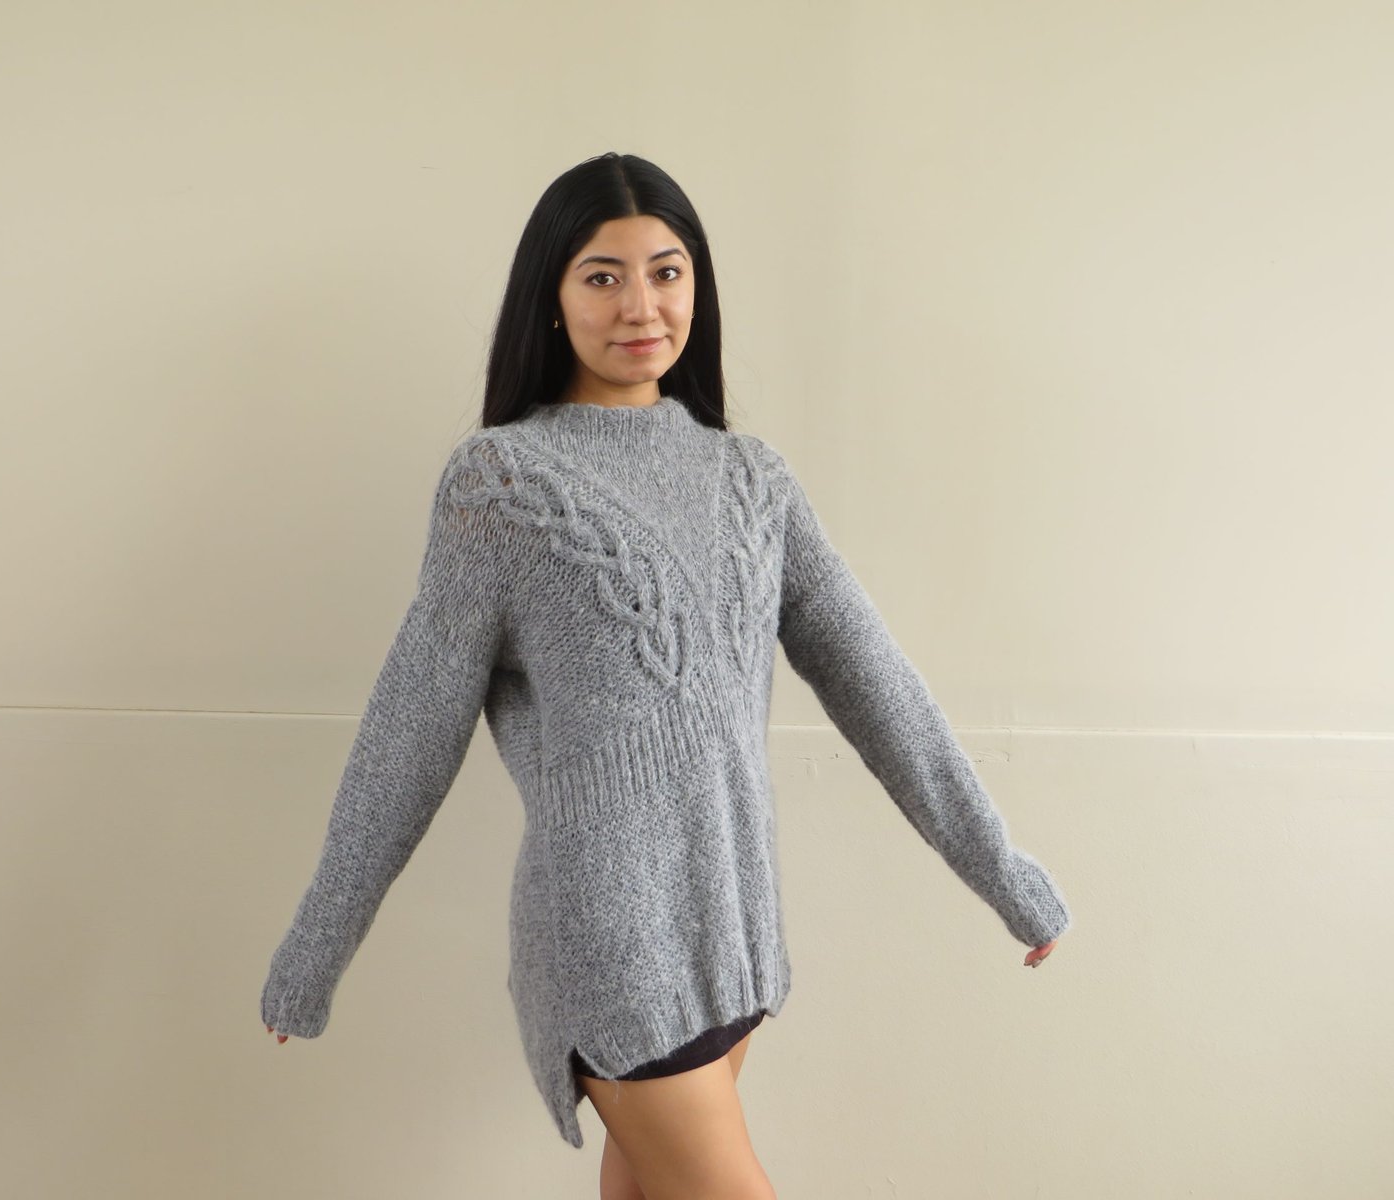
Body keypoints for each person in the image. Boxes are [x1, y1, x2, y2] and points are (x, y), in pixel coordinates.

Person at [260, 152, 1069, 1198]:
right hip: (612, 939)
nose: (640, 305)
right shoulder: (502, 483)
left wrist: (1004, 874)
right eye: (602, 276)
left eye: (667, 271)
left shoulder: (752, 480)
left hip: (733, 928)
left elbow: (879, 688)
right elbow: (410, 729)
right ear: (551, 297)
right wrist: (314, 952)